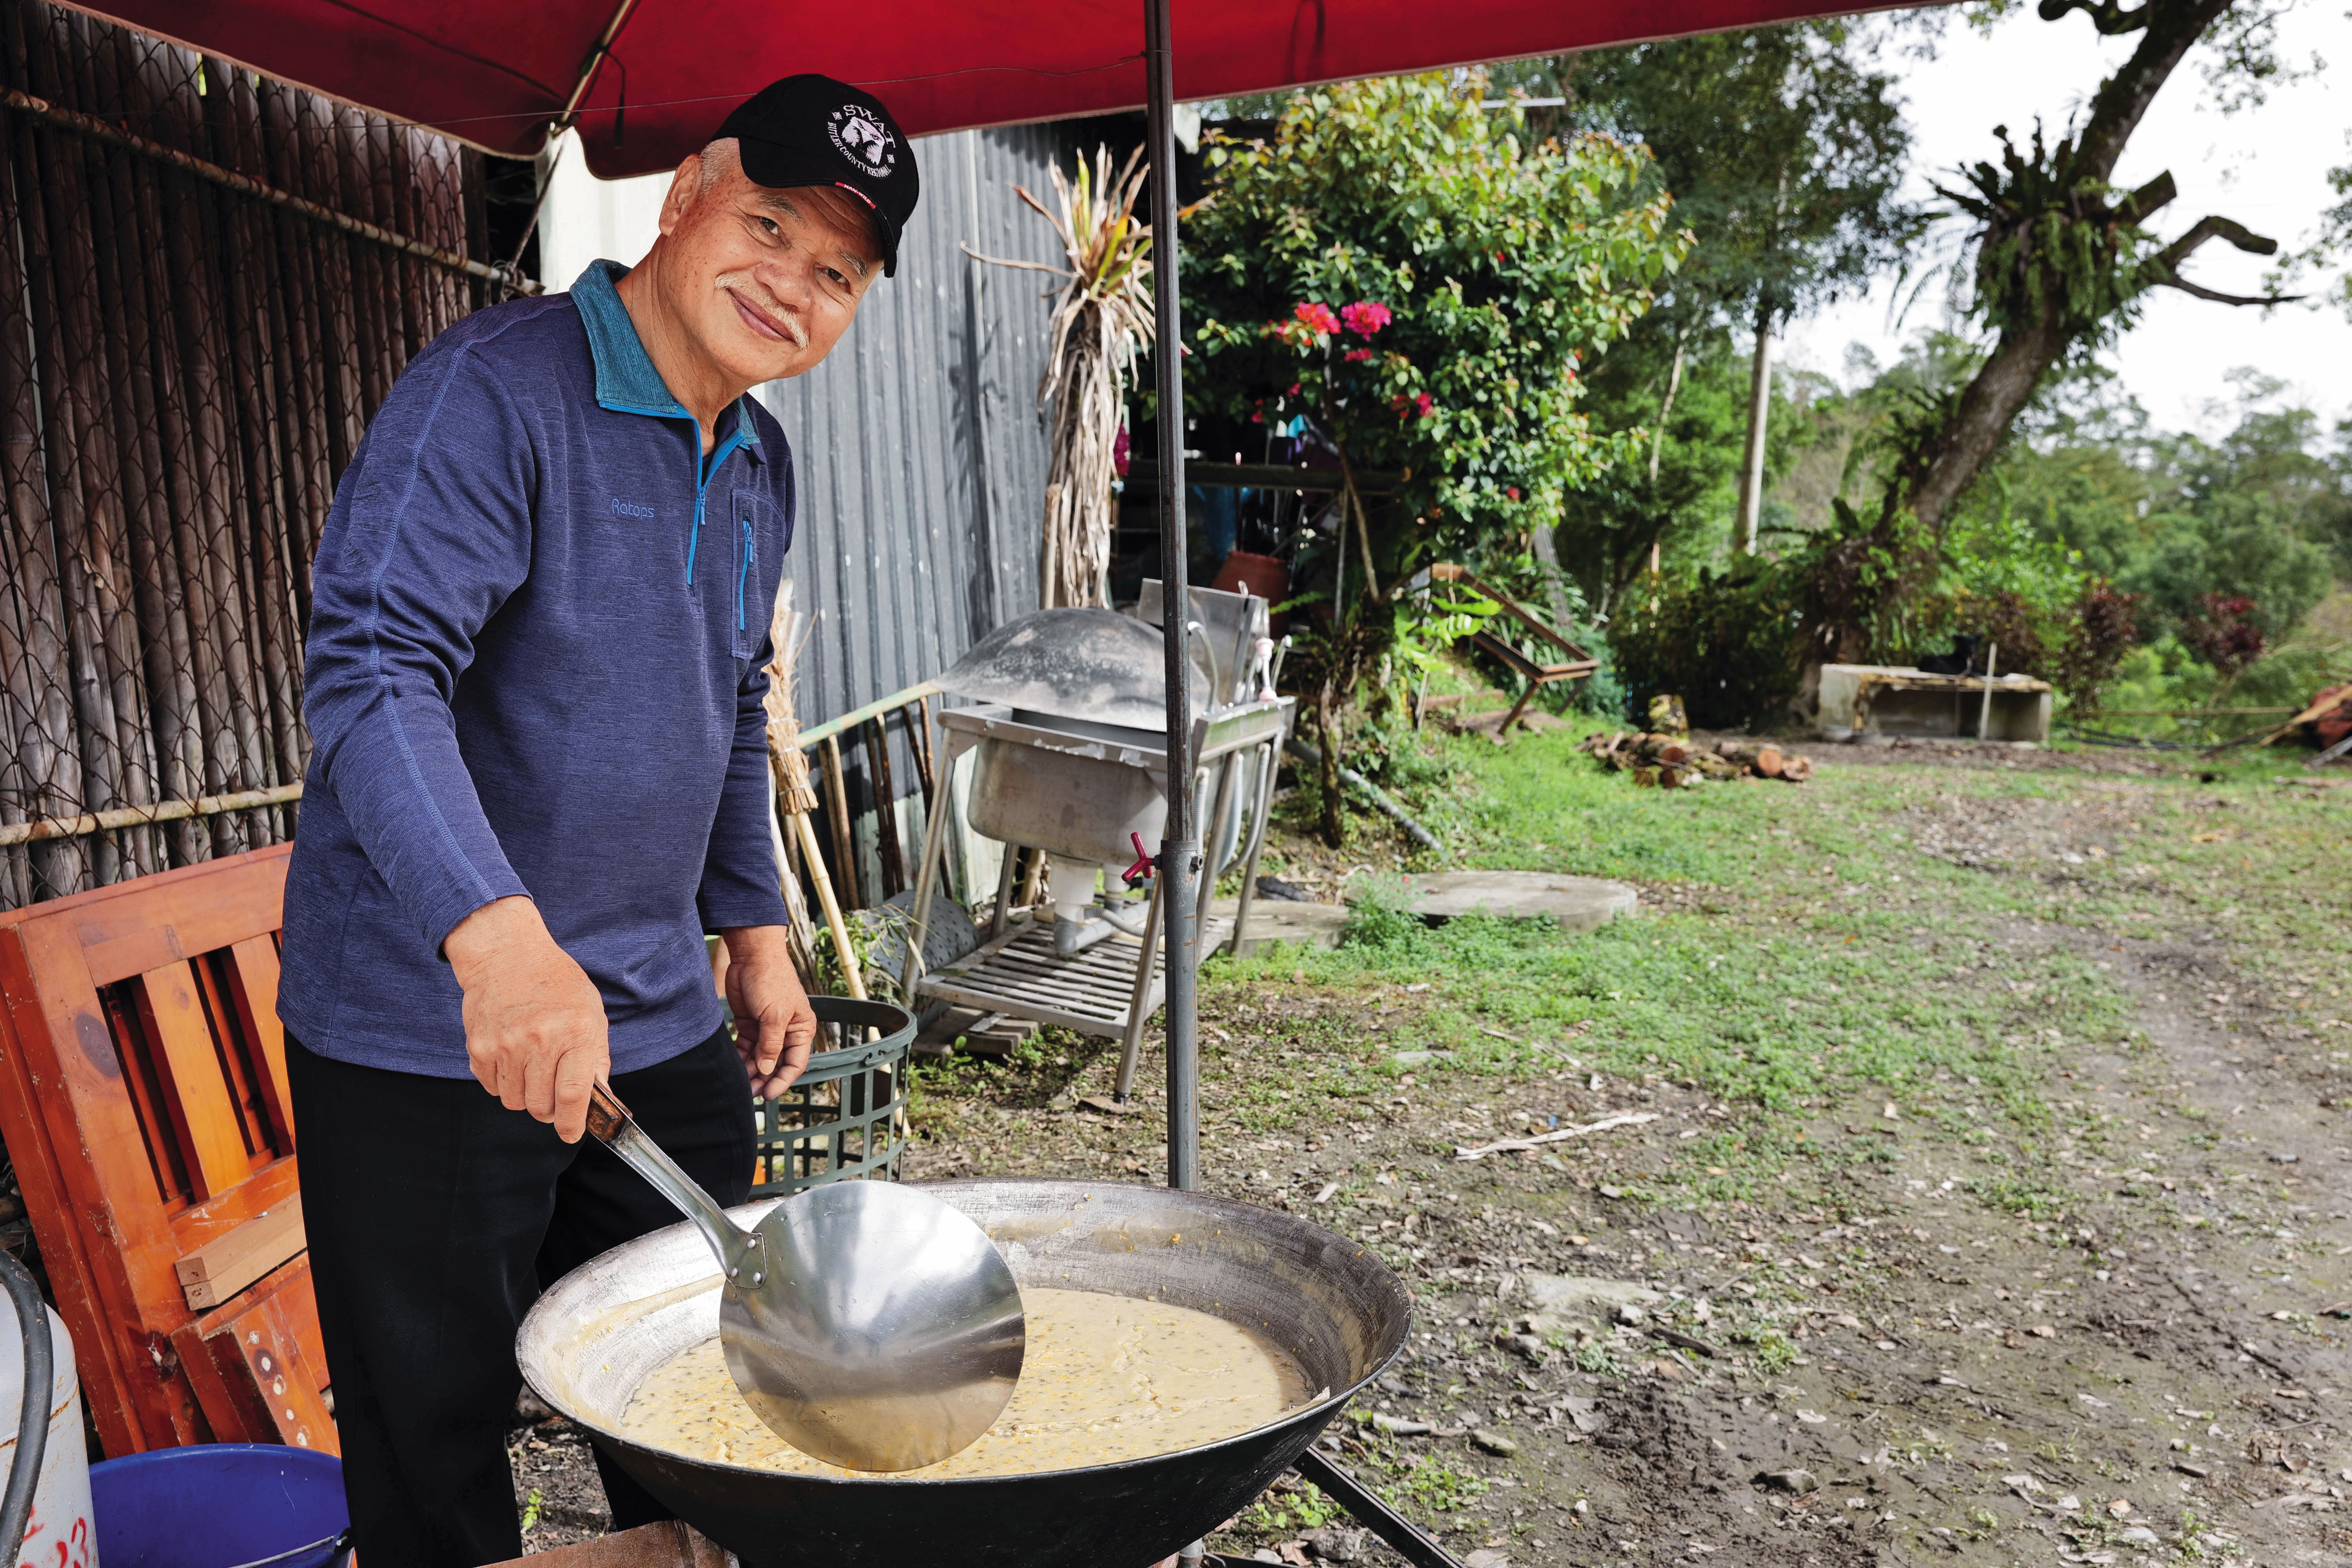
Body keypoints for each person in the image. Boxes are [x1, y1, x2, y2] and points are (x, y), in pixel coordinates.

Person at [278, 74, 920, 1568]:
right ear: (688, 191)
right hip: (427, 1024)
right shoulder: (492, 391)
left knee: (718, 1397)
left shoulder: (760, 459)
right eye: (769, 224)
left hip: (650, 1010)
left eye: (836, 271)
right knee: (434, 1448)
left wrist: (755, 932)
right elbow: (373, 670)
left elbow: (730, 694)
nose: (793, 285)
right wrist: (496, 945)